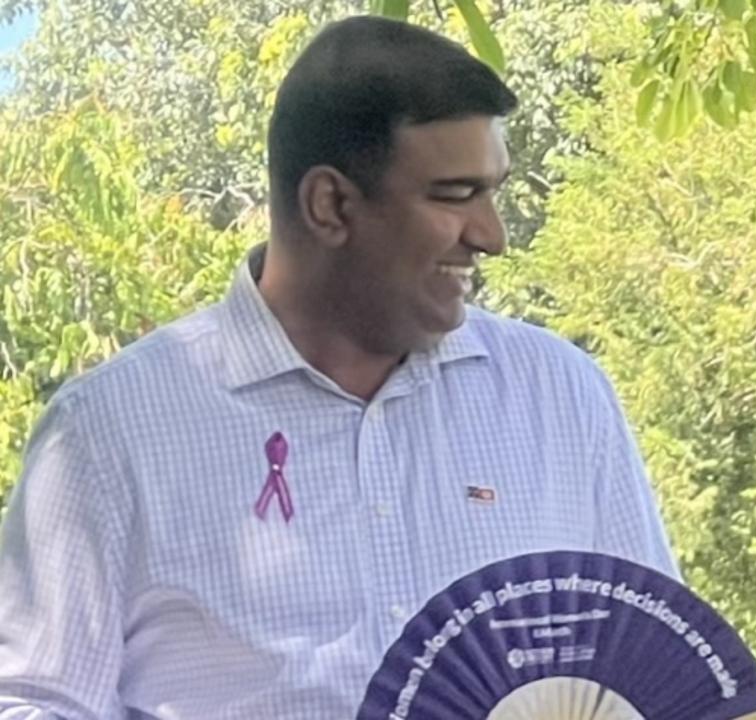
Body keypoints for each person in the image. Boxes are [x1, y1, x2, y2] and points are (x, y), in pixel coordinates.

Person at [0, 16, 678, 717]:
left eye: (492, 191)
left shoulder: (562, 396)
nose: (492, 235)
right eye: (453, 195)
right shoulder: (109, 433)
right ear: (329, 205)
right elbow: (31, 703)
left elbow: (658, 674)